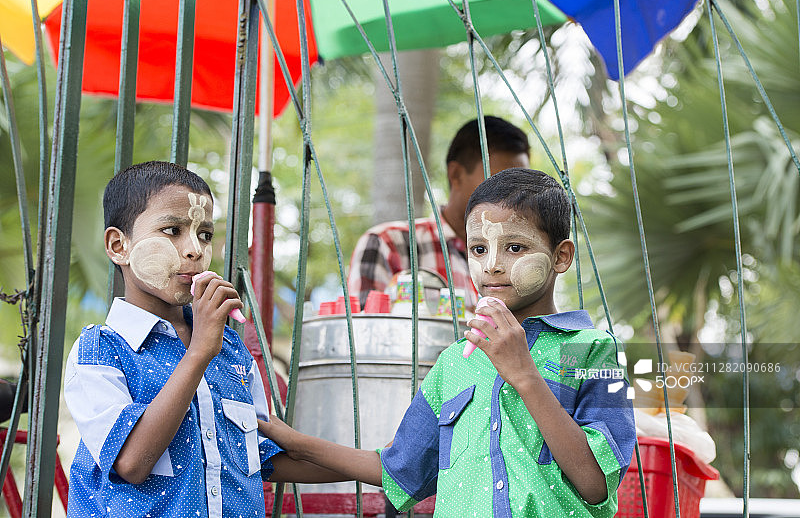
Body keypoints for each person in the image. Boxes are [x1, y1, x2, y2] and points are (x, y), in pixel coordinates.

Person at [263, 168, 636, 517]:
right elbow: (398, 468)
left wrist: (525, 375)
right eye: (478, 249)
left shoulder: (589, 350)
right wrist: (297, 444)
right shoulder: (455, 361)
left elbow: (596, 485)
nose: (491, 265)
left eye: (515, 248)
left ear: (561, 256)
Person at [63, 161, 342, 518]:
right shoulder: (101, 351)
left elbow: (260, 453)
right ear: (119, 246)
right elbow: (132, 462)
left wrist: (385, 465)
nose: (194, 249)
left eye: (205, 234)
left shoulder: (228, 348)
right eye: (172, 230)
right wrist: (198, 353)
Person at [347, 116, 530, 310]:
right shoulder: (389, 243)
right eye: (499, 183)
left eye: (521, 186)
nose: (513, 197)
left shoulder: (524, 254)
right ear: (456, 175)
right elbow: (363, 331)